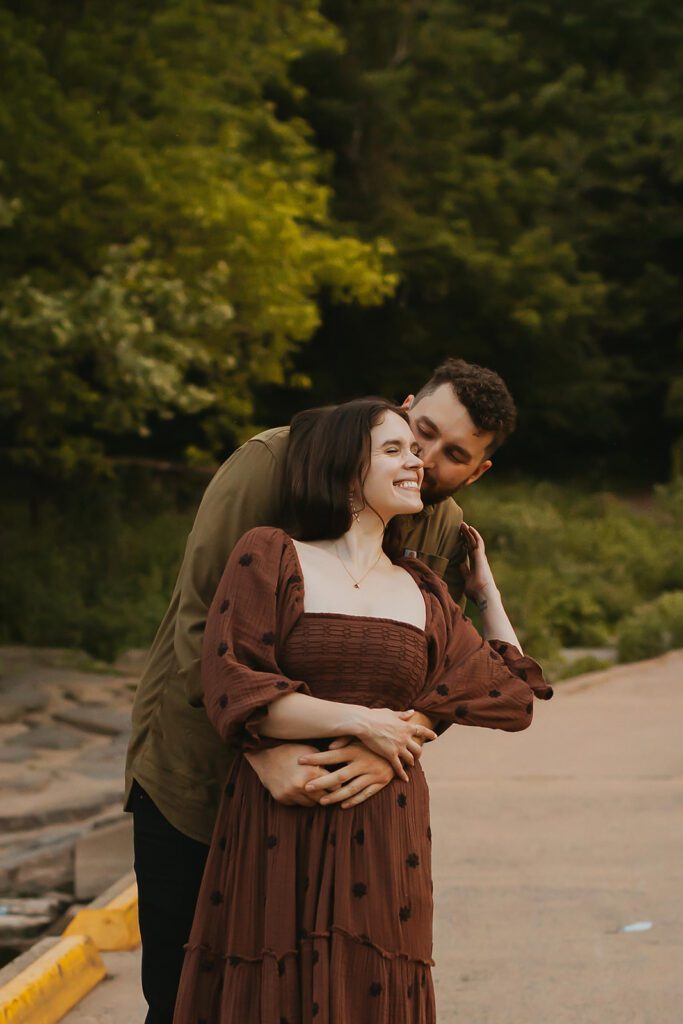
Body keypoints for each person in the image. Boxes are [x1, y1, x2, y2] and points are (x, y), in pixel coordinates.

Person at [125, 359, 517, 1023]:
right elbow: (199, 624)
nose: (424, 457)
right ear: (401, 407)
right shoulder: (272, 462)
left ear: (477, 471)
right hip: (200, 779)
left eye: (453, 455)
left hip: (332, 815)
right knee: (187, 997)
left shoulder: (438, 525)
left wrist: (386, 744)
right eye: (418, 431)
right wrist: (258, 747)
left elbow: (446, 677)